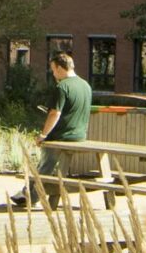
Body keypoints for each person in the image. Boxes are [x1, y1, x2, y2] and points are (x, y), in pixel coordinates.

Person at [9, 51, 93, 205]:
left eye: (54, 70)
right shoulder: (86, 86)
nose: (53, 74)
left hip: (61, 135)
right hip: (80, 135)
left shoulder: (62, 87)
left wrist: (43, 134)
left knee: (45, 164)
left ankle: (31, 196)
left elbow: (55, 113)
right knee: (46, 164)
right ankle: (27, 193)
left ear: (61, 68)